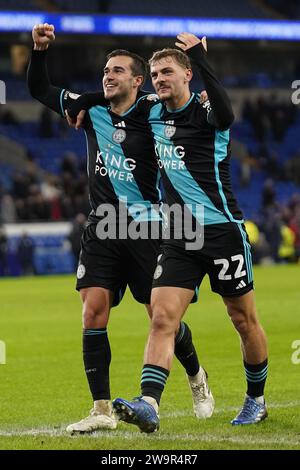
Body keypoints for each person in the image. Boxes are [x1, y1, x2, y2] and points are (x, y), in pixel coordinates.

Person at [27, 24, 214, 434]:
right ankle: (101, 410)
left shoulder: (154, 110)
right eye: (104, 71)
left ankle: (197, 376)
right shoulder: (90, 110)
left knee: (161, 318)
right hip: (102, 226)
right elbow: (40, 89)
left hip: (149, 227)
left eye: (117, 71)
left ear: (137, 79)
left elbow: (194, 113)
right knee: (93, 312)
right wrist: (39, 50)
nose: (107, 76)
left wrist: (200, 97)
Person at [106, 33, 268, 432]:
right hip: (179, 233)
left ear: (188, 75)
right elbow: (118, 96)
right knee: (162, 318)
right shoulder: (152, 112)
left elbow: (227, 113)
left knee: (242, 318)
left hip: (221, 230)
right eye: (156, 73)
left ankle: (256, 399)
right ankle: (148, 404)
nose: (160, 79)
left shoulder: (209, 112)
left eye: (168, 72)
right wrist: (81, 106)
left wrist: (200, 55)